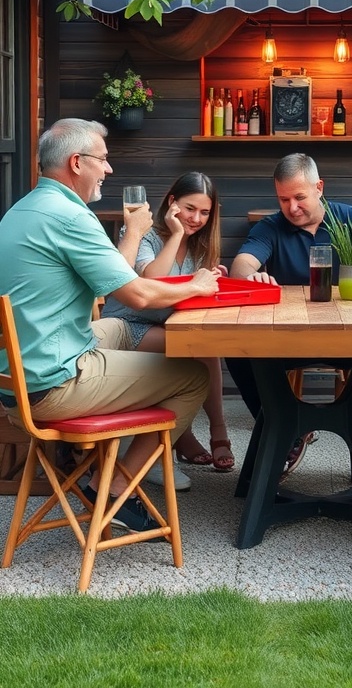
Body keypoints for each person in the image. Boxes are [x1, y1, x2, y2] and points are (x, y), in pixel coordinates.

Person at [0, 118, 222, 533]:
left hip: (18, 377)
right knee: (193, 376)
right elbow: (135, 295)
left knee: (120, 331)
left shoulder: (20, 210)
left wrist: (134, 234)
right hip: (55, 384)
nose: (109, 169)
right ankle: (116, 486)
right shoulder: (71, 217)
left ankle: (92, 460)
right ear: (76, 162)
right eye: (103, 160)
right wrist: (195, 285)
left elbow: (115, 283)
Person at [228, 152, 352, 473]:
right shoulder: (271, 226)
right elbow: (241, 265)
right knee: (237, 351)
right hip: (290, 342)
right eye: (283, 199)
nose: (292, 207)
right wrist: (249, 275)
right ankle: (283, 424)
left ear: (319, 188)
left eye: (299, 197)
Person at [103, 172, 234, 479]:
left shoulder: (200, 245)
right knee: (197, 349)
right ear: (172, 203)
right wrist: (175, 235)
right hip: (126, 324)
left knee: (203, 346)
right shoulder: (143, 233)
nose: (197, 218)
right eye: (190, 209)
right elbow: (151, 282)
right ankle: (206, 435)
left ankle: (197, 434)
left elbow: (186, 294)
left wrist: (212, 278)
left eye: (205, 212)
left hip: (168, 324)